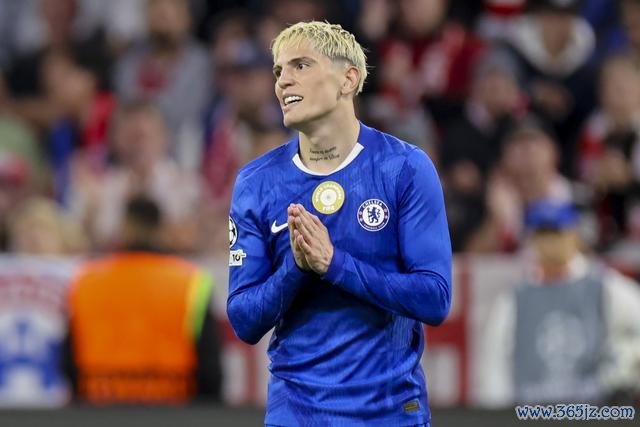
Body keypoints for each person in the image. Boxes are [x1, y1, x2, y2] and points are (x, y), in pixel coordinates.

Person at [227, 21, 452, 425]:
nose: (283, 81)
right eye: (279, 70)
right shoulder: (256, 183)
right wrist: (297, 268)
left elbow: (435, 298)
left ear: (348, 79)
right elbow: (244, 319)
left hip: (390, 413)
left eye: (300, 65)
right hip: (296, 414)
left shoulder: (404, 167)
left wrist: (334, 264)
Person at [480, 200, 640, 406]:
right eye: (543, 234)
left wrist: (622, 367)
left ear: (573, 235)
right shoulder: (514, 300)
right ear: (532, 239)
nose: (550, 243)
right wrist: (498, 413)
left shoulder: (605, 288)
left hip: (592, 412)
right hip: (532, 412)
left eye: (557, 233)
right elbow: (495, 366)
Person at [66, 195, 222, 404]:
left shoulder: (87, 281)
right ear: (161, 230)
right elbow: (210, 370)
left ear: (124, 228)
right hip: (173, 409)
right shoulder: (191, 282)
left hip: (100, 408)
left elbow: (68, 362)